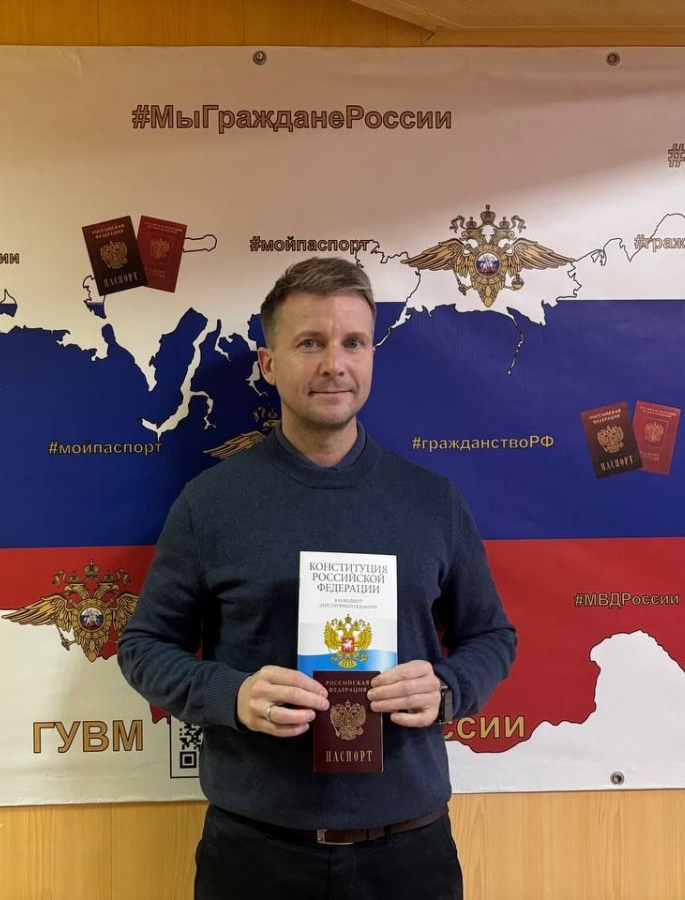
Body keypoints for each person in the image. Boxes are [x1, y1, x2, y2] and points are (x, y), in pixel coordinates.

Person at [118, 256, 516, 899]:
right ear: (269, 364)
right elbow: (144, 646)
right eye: (310, 343)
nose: (335, 363)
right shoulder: (210, 503)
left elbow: (492, 637)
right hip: (256, 853)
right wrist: (231, 695)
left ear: (371, 357)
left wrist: (449, 687)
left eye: (353, 342)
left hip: (408, 852)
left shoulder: (432, 500)